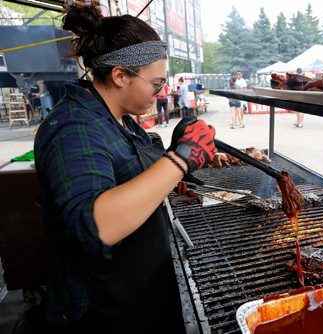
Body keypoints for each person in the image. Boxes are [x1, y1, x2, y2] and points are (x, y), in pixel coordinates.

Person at [34, 2, 216, 332]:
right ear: (120, 75)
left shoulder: (120, 120)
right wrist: (180, 159)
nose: (159, 94)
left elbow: (128, 177)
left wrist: (169, 186)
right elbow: (96, 225)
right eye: (156, 84)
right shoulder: (74, 127)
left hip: (139, 290)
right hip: (102, 311)